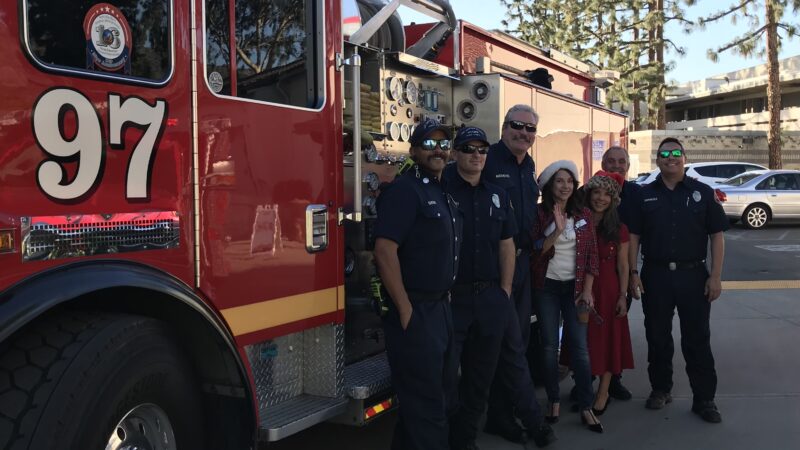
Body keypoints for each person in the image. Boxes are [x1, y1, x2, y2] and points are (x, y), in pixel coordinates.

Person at [443, 127, 555, 450]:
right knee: (448, 375)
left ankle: (466, 439)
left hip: (493, 294)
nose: (476, 155)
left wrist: (504, 291)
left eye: (481, 150)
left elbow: (507, 245)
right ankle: (447, 436)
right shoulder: (443, 189)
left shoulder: (498, 193)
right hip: (453, 299)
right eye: (468, 149)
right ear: (455, 154)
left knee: (482, 374)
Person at [373, 119, 462, 449]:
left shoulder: (441, 191)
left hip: (440, 309)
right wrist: (405, 307)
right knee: (428, 409)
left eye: (443, 145)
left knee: (440, 398)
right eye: (429, 144)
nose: (437, 150)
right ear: (413, 151)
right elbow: (384, 250)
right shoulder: (405, 191)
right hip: (417, 311)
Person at [628, 137, 728, 424]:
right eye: (664, 154)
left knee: (697, 339)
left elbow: (717, 236)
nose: (670, 158)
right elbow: (633, 236)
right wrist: (633, 272)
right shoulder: (645, 194)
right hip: (655, 275)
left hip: (693, 276)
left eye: (675, 153)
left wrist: (716, 276)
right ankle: (661, 389)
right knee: (657, 336)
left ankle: (704, 399)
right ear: (657, 160)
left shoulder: (702, 192)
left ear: (684, 157)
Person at [481, 104, 541, 442]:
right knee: (499, 347)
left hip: (522, 266)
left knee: (517, 341)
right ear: (504, 127)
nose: (524, 133)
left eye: (530, 128)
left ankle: (501, 415)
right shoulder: (487, 159)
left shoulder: (528, 164)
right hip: (492, 267)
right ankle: (500, 416)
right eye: (518, 125)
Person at [531, 160, 602, 433]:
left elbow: (592, 256)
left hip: (575, 289)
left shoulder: (583, 214)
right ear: (550, 186)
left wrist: (587, 290)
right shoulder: (539, 215)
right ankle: (553, 400)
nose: (565, 186)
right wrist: (557, 230)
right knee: (549, 347)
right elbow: (536, 252)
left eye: (570, 181)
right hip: (547, 287)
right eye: (560, 181)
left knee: (580, 348)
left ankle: (586, 404)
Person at [583, 170, 635, 417]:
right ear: (589, 194)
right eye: (596, 192)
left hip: (608, 290)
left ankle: (603, 392)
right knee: (583, 341)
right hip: (581, 289)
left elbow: (623, 265)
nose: (601, 198)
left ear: (613, 199)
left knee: (607, 342)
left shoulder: (619, 228)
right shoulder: (578, 221)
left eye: (607, 194)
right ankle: (583, 389)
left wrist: (623, 295)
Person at [599, 146, 641, 400]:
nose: (616, 166)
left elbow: (637, 236)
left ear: (628, 166)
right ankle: (586, 380)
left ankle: (614, 380)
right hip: (593, 272)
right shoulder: (589, 190)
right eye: (611, 161)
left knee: (616, 327)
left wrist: (634, 274)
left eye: (621, 162)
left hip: (622, 272)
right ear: (603, 163)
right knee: (588, 330)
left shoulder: (636, 194)